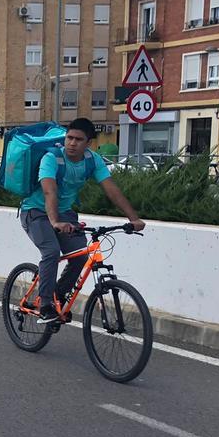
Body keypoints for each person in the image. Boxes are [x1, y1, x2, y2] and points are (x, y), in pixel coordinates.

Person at [18, 118, 145, 323]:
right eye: (69, 137)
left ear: (88, 143)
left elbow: (111, 189)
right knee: (51, 251)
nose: (72, 143)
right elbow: (49, 191)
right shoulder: (52, 158)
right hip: (35, 212)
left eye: (78, 139)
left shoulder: (92, 160)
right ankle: (46, 304)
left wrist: (134, 219)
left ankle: (59, 294)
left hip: (65, 214)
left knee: (80, 256)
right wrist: (54, 222)